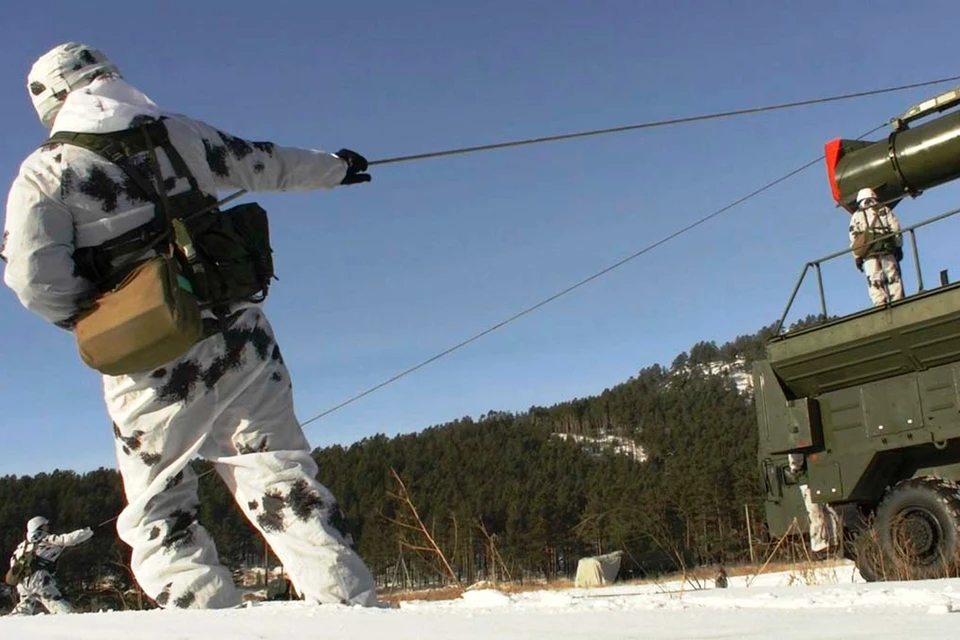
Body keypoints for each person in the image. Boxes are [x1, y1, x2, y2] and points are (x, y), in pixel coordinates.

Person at [2, 42, 377, 610]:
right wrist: (337, 169)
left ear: (50, 101)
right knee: (281, 477)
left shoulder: (48, 171)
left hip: (152, 354)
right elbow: (264, 162)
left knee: (161, 502)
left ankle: (203, 618)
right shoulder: (179, 133)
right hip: (242, 334)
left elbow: (33, 278)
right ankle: (351, 608)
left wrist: (92, 318)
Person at [6, 516, 93, 615]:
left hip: (22, 583)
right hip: (39, 581)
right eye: (45, 526)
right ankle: (72, 623)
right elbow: (68, 539)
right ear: (39, 528)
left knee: (24, 607)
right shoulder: (47, 540)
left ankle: (11, 626)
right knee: (59, 605)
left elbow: (13, 564)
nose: (47, 528)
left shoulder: (22, 546)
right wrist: (88, 531)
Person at [849, 187, 904, 307]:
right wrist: (898, 247)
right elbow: (896, 230)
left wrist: (857, 257)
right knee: (892, 276)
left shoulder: (856, 216)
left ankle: (880, 304)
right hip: (887, 248)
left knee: (874, 279)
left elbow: (854, 238)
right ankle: (897, 301)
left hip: (869, 253)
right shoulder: (884, 210)